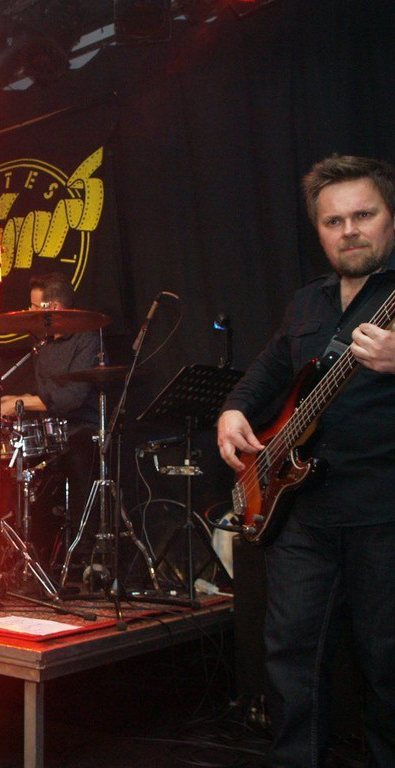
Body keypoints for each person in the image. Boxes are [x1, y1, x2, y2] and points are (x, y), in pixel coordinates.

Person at [217, 155, 395, 767]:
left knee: (387, 666)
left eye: (363, 215)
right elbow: (267, 371)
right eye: (333, 221)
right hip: (302, 513)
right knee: (291, 661)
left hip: (383, 511)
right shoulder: (307, 302)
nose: (349, 231)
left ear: (390, 217)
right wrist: (232, 411)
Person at [0, 272, 100, 576]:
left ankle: (83, 557)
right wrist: (15, 402)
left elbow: (71, 398)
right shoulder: (41, 342)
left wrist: (22, 401)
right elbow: (45, 394)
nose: (29, 312)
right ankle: (29, 555)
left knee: (79, 457)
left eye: (33, 306)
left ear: (53, 307)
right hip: (48, 430)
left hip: (82, 428)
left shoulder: (86, 338)